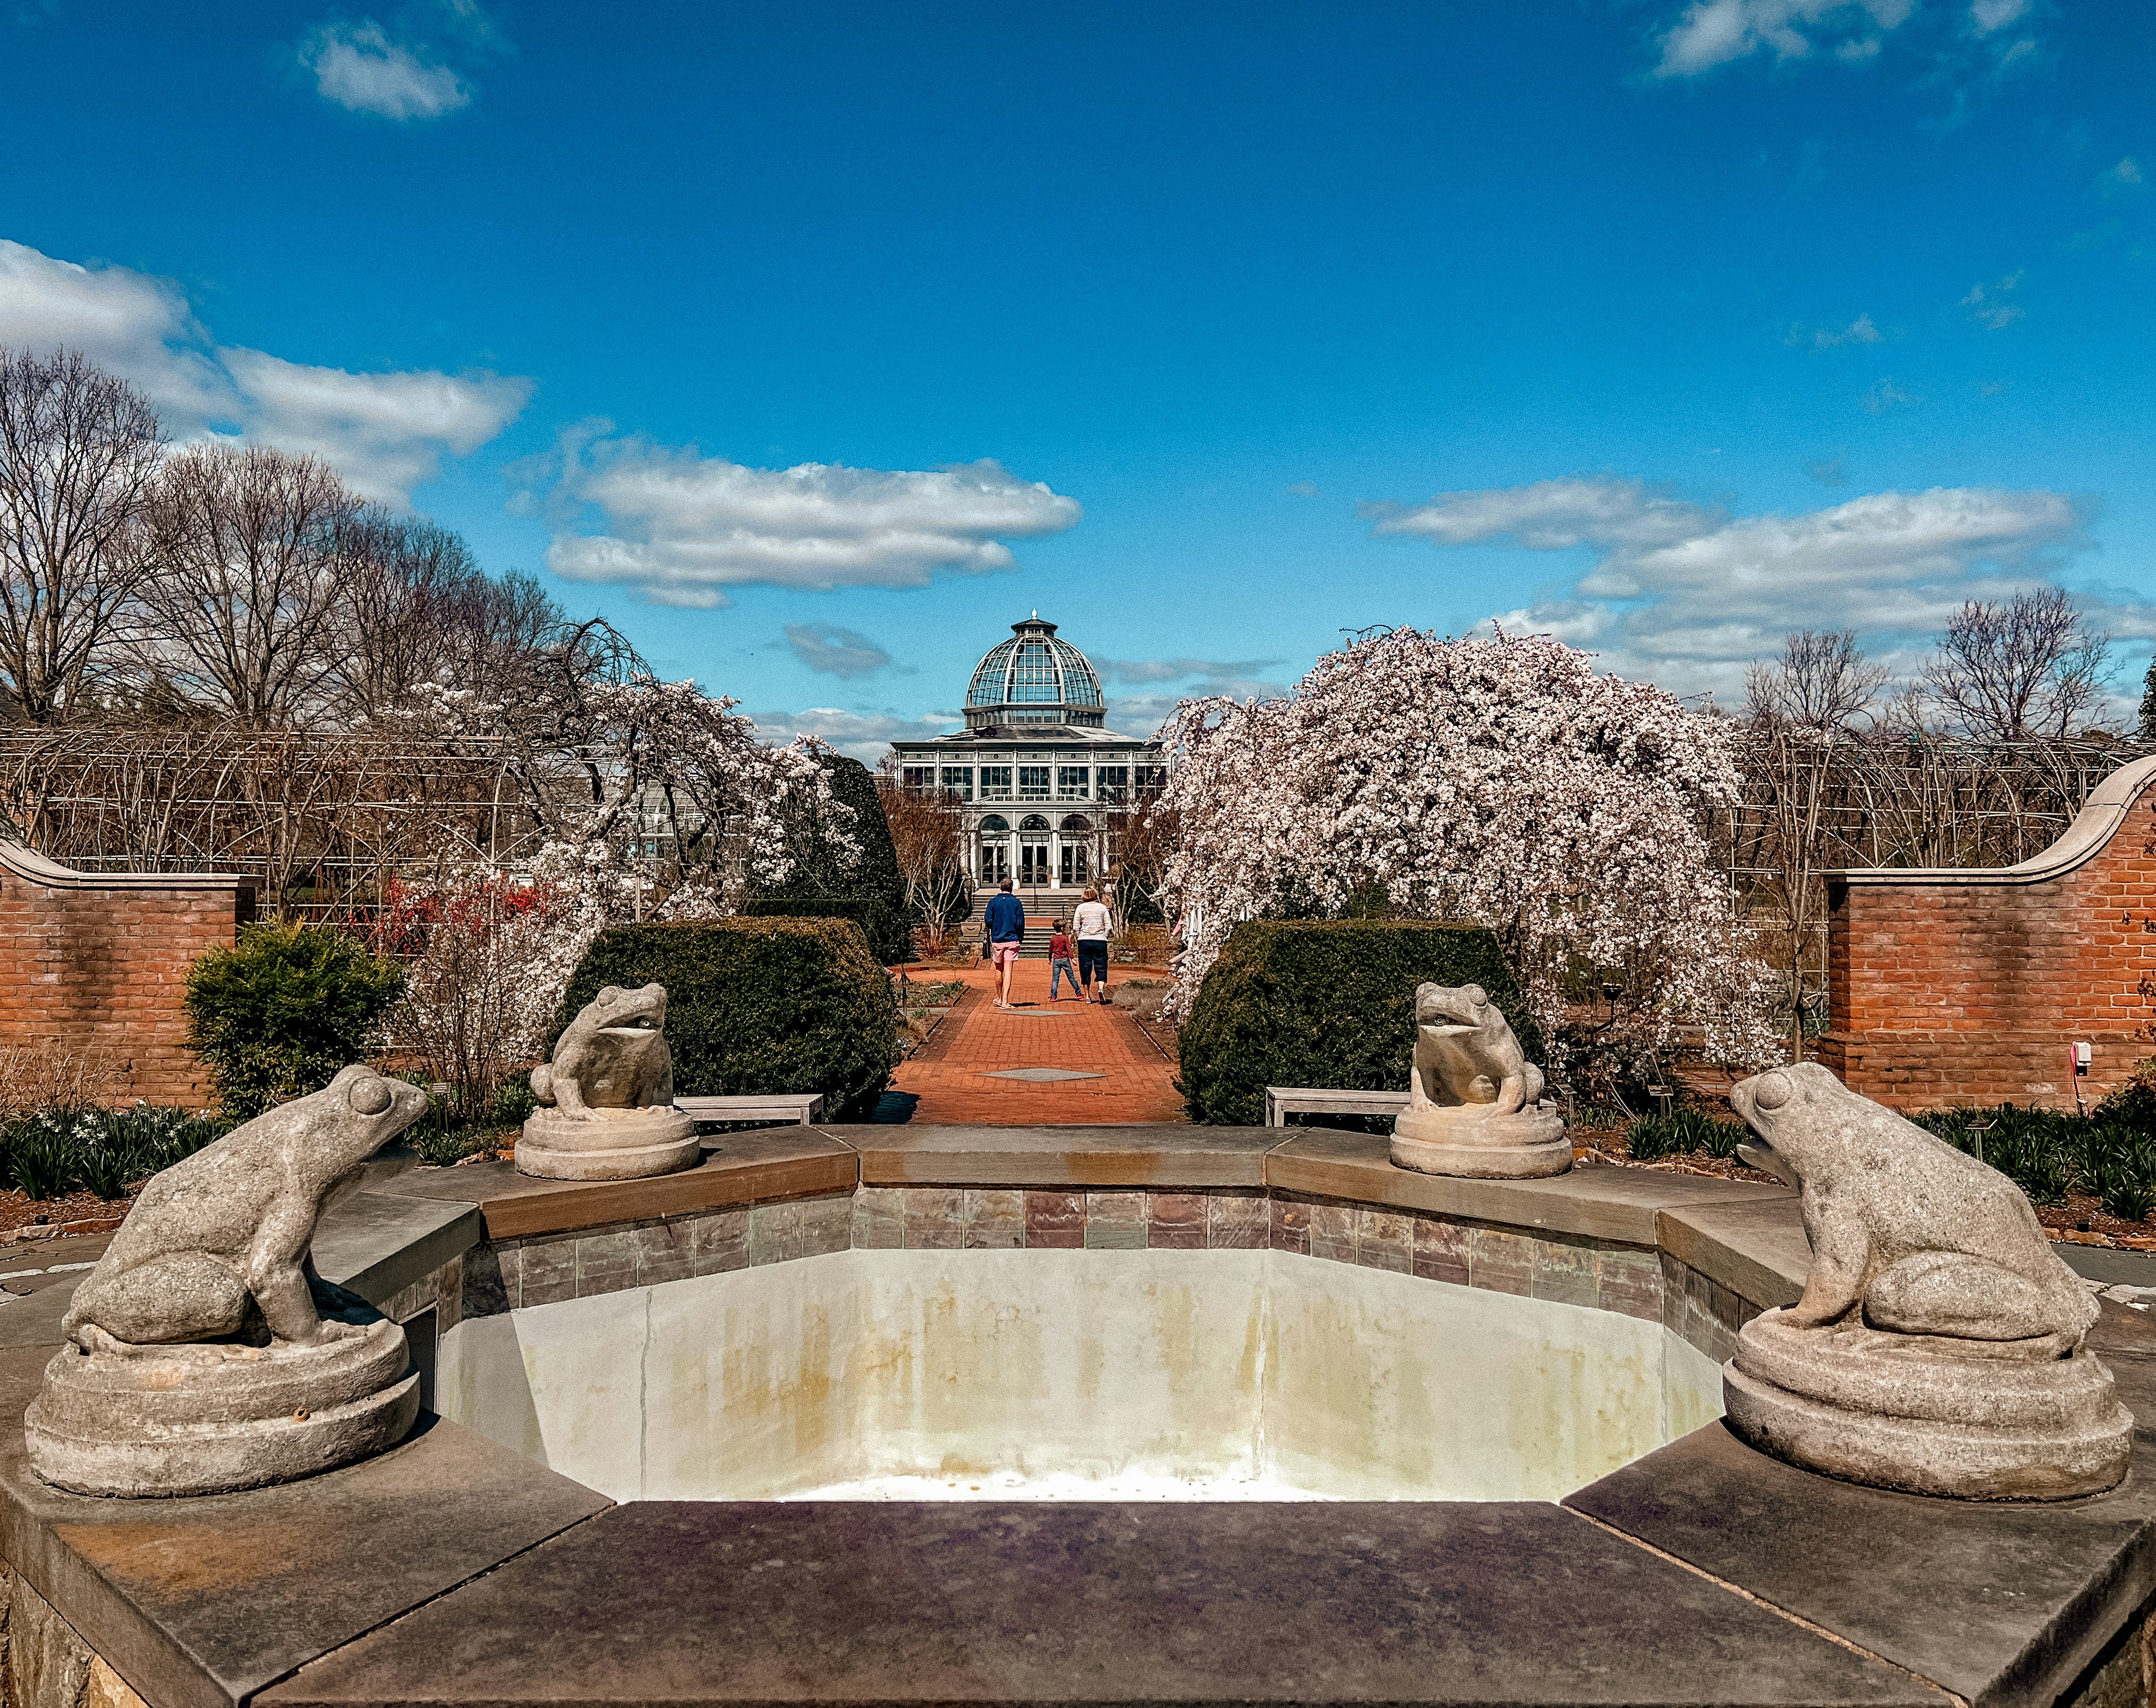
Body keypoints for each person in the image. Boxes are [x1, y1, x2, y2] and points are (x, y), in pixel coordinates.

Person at [984, 878, 1027, 1008]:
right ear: (1011, 887)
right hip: (1012, 939)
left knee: (999, 969)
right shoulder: (1016, 903)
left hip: (997, 939)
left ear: (1000, 887)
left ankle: (999, 997)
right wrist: (1020, 937)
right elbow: (1020, 923)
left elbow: (988, 920)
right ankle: (1005, 1001)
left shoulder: (993, 902)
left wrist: (995, 928)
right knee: (1008, 971)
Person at [1071, 885, 1112, 1006]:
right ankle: (1100, 989)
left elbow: (1076, 926)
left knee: (1085, 968)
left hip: (1085, 941)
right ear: (1095, 894)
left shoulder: (1080, 907)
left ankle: (1088, 996)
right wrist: (1104, 935)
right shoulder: (1102, 907)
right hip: (1100, 940)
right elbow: (1108, 926)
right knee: (1101, 966)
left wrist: (1079, 936)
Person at [1047, 920, 1076, 1001]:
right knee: (1071, 977)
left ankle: (1053, 996)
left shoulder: (1053, 939)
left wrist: (1050, 959)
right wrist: (1072, 959)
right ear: (1062, 928)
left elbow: (1050, 950)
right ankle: (1079, 993)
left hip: (1056, 960)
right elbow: (1069, 949)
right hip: (1065, 959)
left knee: (1055, 979)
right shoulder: (1065, 938)